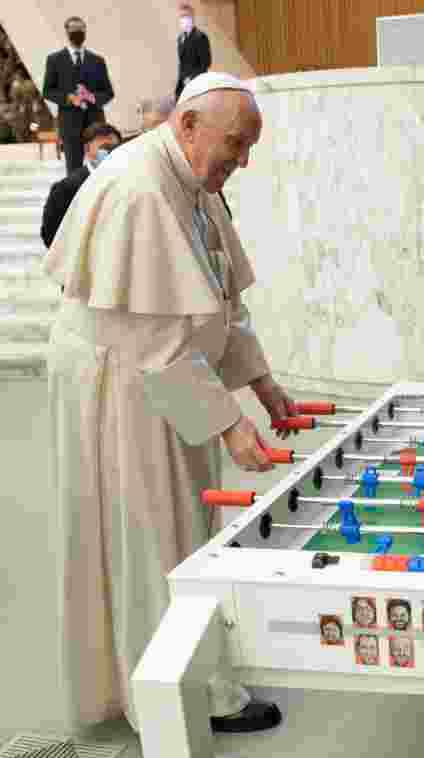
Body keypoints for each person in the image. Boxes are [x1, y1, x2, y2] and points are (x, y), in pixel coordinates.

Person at [43, 72, 297, 736]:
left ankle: (191, 675)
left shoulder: (192, 183)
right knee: (154, 538)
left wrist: (264, 388)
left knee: (185, 532)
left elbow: (220, 301)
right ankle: (170, 694)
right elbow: (153, 338)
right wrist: (233, 425)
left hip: (162, 380)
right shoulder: (139, 190)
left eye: (248, 150)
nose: (241, 162)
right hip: (123, 386)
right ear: (188, 125)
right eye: (236, 146)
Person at [42, 16, 115, 174]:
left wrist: (91, 97)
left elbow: (108, 92)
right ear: (67, 32)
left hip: (95, 124)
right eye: (74, 30)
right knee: (74, 171)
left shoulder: (97, 61)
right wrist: (69, 98)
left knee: (100, 168)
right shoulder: (55, 60)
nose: (78, 33)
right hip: (69, 124)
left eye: (81, 30)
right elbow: (47, 91)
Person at [41, 123, 121, 249]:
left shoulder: (126, 181)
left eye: (115, 148)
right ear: (87, 149)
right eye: (104, 147)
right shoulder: (66, 188)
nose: (110, 152)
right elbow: (50, 235)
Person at [175, 3, 212, 100]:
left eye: (186, 16)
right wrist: (181, 80)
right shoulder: (180, 38)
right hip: (183, 85)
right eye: (181, 16)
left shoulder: (200, 37)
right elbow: (182, 63)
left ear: (192, 17)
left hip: (198, 84)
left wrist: (191, 78)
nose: (183, 19)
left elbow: (206, 63)